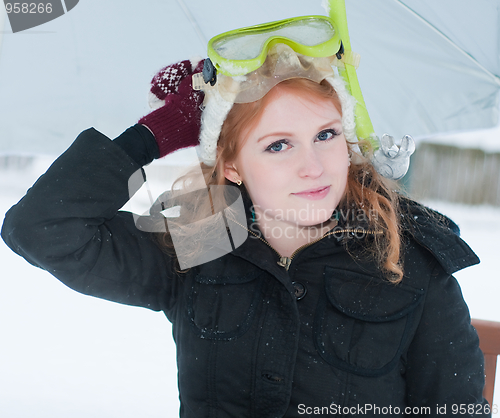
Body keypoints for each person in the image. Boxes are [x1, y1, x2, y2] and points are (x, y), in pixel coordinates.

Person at [1, 12, 490, 418]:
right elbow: (42, 228)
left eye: (327, 134)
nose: (314, 165)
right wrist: (150, 137)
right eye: (278, 145)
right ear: (232, 165)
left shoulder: (404, 255)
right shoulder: (204, 238)